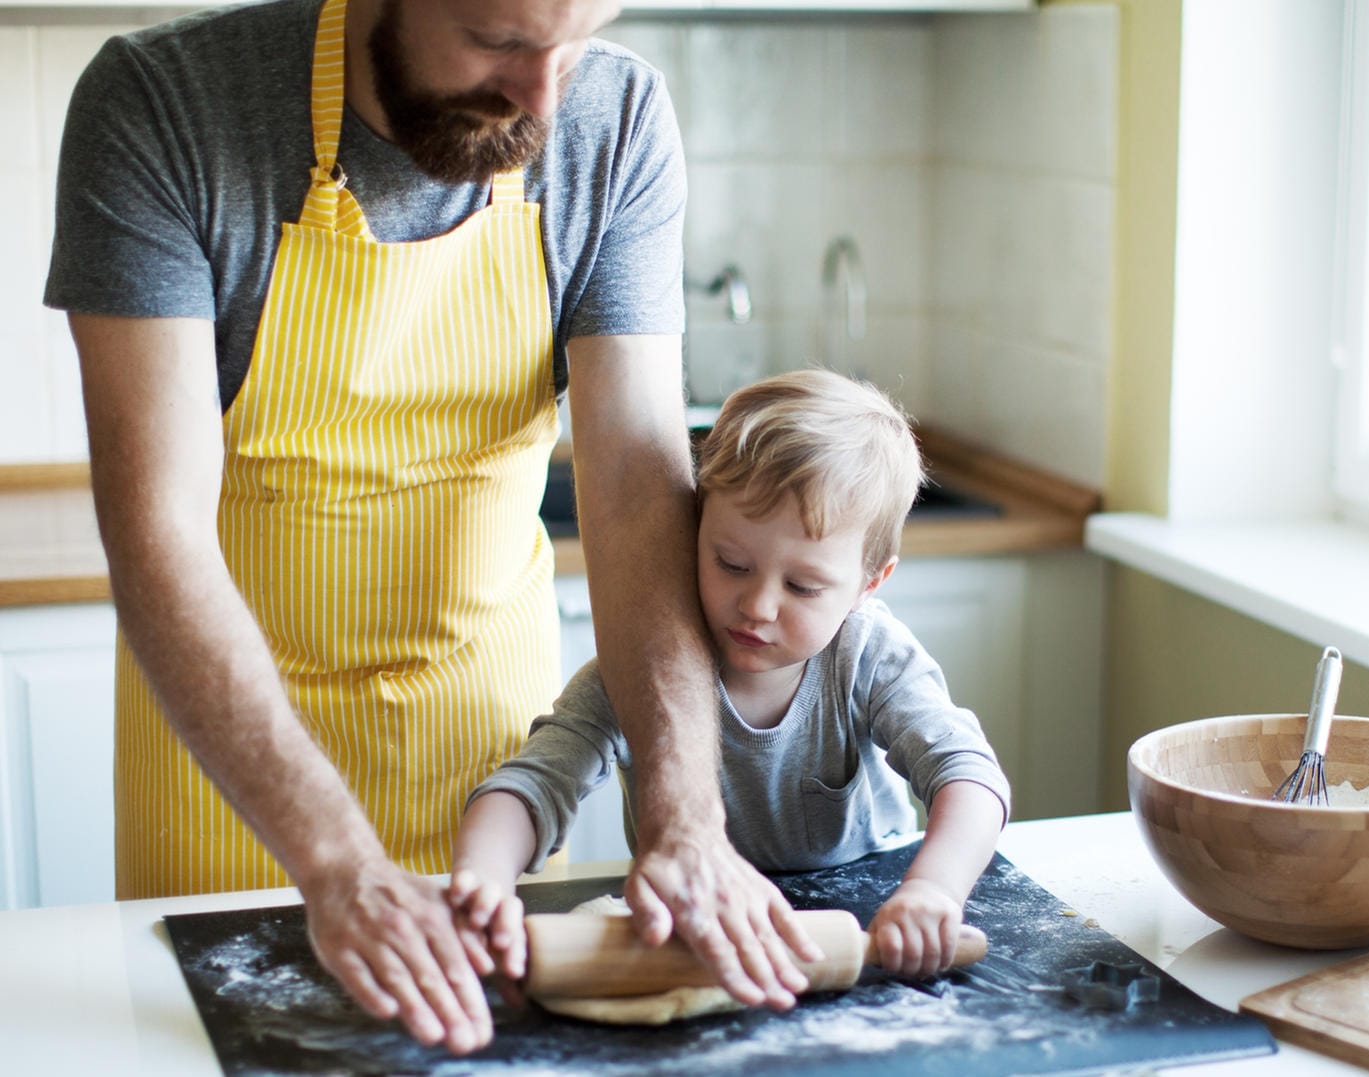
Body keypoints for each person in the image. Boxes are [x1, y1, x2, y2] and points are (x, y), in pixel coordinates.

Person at [43, 0, 817, 1055]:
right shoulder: (167, 104)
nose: (544, 96)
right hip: (232, 792)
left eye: (576, 42)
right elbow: (157, 534)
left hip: (486, 779)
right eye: (499, 43)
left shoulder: (616, 116)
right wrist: (336, 864)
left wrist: (685, 816)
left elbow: (638, 493)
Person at [450, 369, 1012, 983]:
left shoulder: (867, 656)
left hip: (863, 929)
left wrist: (932, 890)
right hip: (698, 936)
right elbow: (532, 785)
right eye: (732, 562)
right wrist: (482, 882)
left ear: (868, 583)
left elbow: (969, 775)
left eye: (802, 586)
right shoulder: (645, 664)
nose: (758, 606)